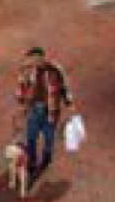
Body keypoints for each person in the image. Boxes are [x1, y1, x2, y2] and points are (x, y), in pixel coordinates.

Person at [15, 46, 74, 188]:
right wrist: (21, 103)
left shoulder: (55, 69)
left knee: (49, 137)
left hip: (51, 110)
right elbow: (21, 89)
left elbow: (64, 87)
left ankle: (47, 157)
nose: (34, 62)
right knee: (31, 137)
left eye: (36, 59)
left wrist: (69, 103)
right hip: (34, 110)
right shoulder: (27, 72)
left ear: (42, 57)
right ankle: (32, 161)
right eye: (31, 60)